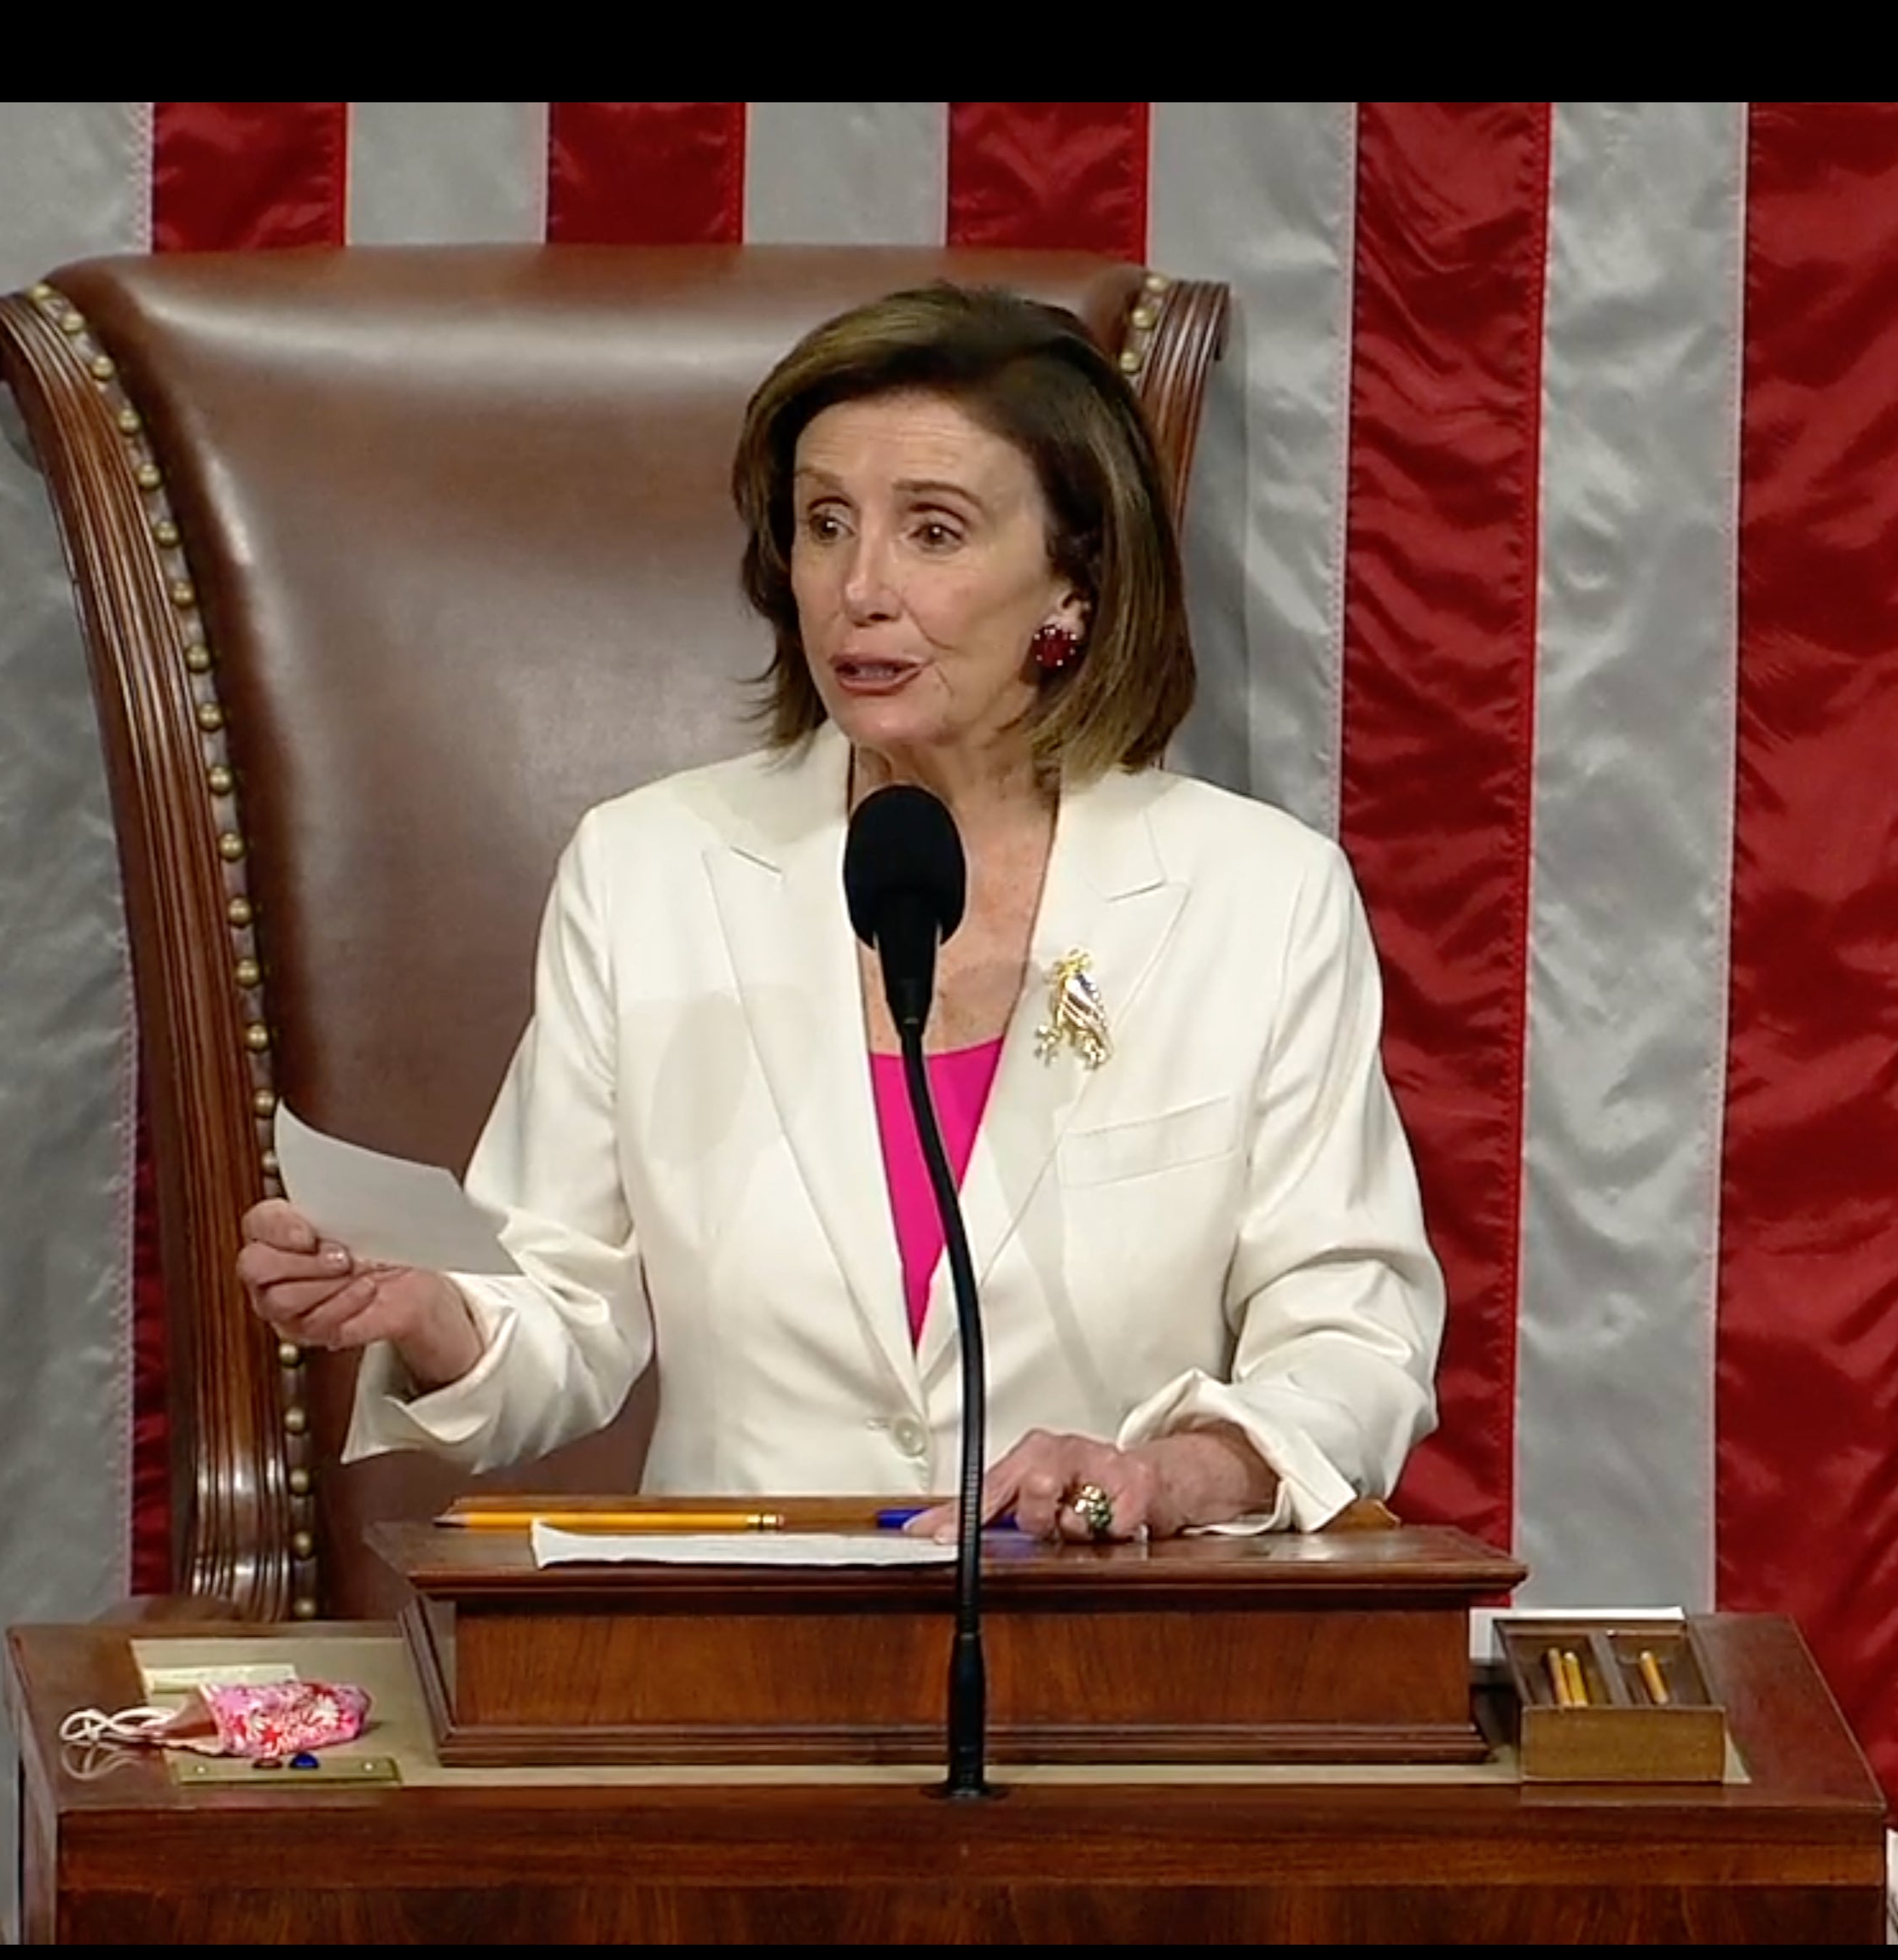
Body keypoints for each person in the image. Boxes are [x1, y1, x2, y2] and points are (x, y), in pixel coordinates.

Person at [238, 283, 1442, 1542]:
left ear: (1069, 588)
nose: (858, 586)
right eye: (823, 523)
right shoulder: (653, 869)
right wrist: (433, 1313)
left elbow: (1352, 1330)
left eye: (932, 531)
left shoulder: (1257, 897)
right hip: (741, 1664)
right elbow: (558, 1307)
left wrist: (1178, 1471)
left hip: (1107, 1651)